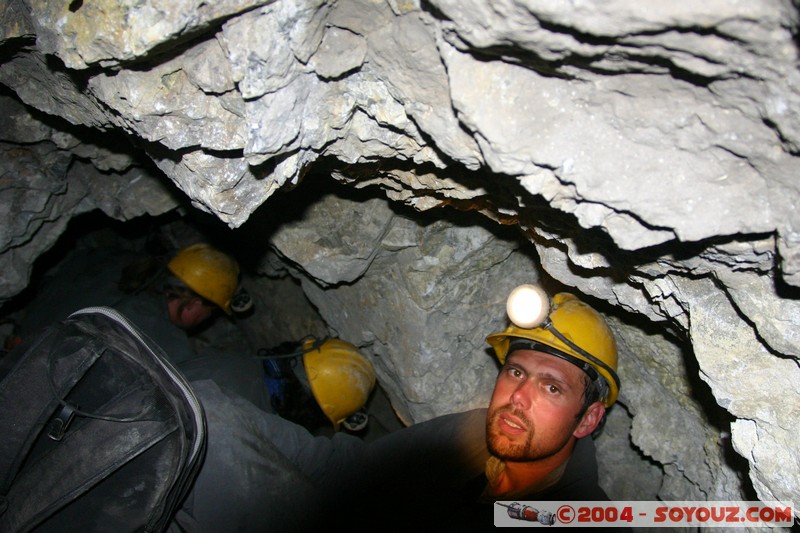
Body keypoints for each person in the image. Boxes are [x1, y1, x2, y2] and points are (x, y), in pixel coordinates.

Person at [321, 287, 620, 528]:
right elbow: (359, 471)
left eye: (552, 388)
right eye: (516, 373)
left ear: (587, 419)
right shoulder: (471, 435)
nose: (517, 397)